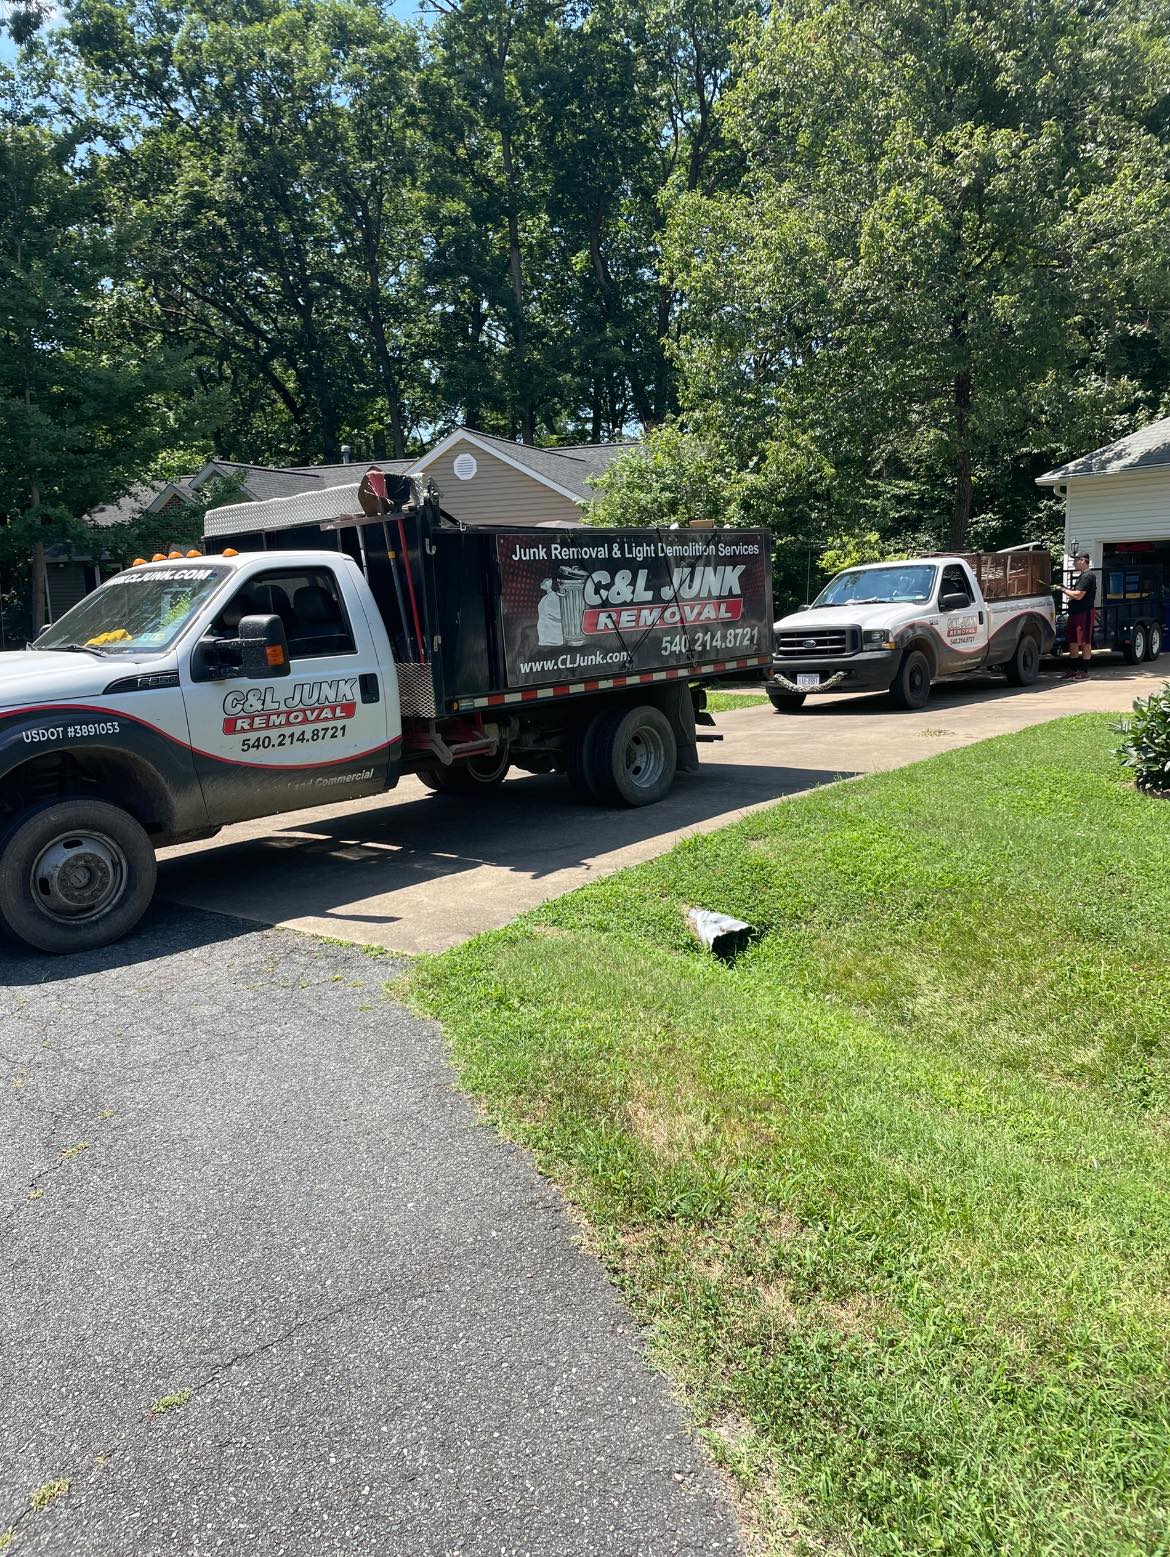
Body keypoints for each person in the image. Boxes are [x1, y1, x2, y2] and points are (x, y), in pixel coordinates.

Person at [1060, 551, 1097, 680]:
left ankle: (1084, 672)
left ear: (1082, 560)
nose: (1074, 563)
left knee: (1085, 641)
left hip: (1084, 612)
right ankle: (1073, 670)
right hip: (1075, 612)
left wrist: (1063, 589)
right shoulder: (1082, 575)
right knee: (1073, 641)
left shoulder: (1088, 576)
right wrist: (1067, 590)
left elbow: (1078, 595)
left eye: (1075, 560)